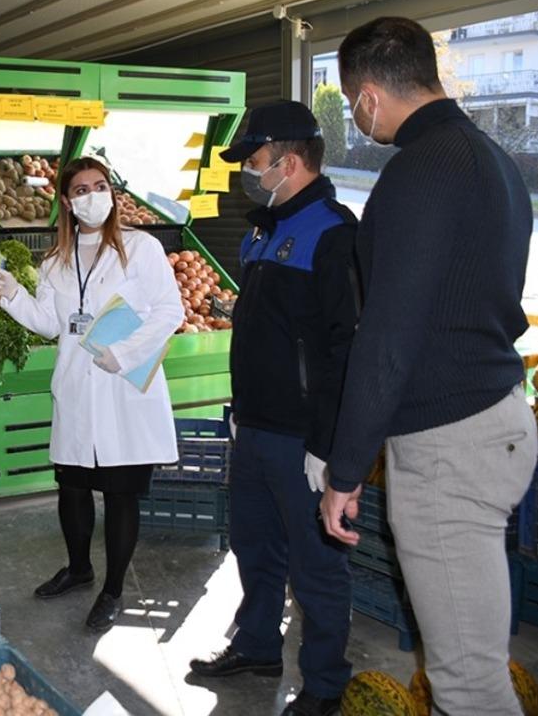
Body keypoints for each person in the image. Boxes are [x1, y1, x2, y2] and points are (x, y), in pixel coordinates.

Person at [319, 16, 535, 716]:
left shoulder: (418, 172)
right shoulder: (494, 161)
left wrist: (344, 471)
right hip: (494, 416)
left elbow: (388, 336)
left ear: (369, 96)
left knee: (468, 685)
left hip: (449, 445)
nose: (356, 117)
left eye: (351, 102)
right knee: (466, 664)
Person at [188, 101, 359, 716]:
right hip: (254, 425)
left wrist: (329, 444)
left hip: (301, 438)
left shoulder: (334, 233)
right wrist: (241, 408)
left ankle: (324, 685)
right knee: (254, 546)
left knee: (315, 567)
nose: (248, 173)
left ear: (289, 162)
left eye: (254, 160)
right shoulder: (263, 230)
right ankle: (258, 645)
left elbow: (347, 348)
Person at [0, 157, 183, 632]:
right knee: (72, 487)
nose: (93, 196)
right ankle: (78, 569)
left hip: (123, 389)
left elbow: (170, 310)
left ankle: (113, 589)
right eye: (81, 190)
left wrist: (124, 352)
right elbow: (50, 324)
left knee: (120, 493)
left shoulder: (141, 248)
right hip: (76, 387)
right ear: (67, 202)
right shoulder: (55, 260)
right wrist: (13, 296)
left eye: (100, 186)